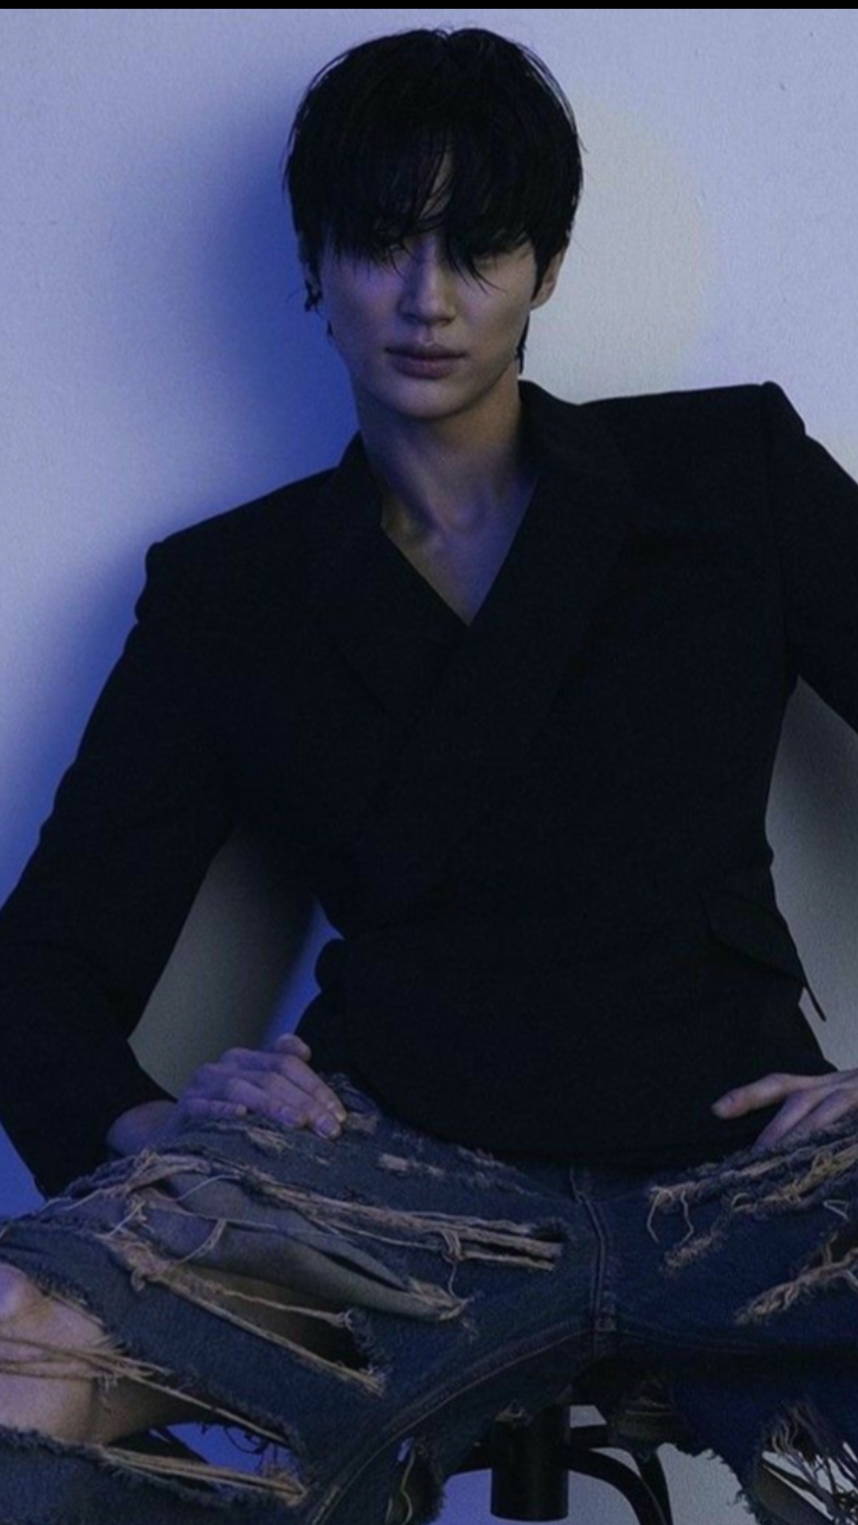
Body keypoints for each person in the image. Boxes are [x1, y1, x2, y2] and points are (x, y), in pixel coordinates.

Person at [1, 23, 858, 1525]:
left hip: (743, 1163)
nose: (427, 296)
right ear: (315, 263)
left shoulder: (730, 477)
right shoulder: (231, 592)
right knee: (20, 1358)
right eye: (383, 242)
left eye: (479, 246)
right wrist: (144, 1119)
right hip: (393, 1186)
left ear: (547, 267)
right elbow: (44, 963)